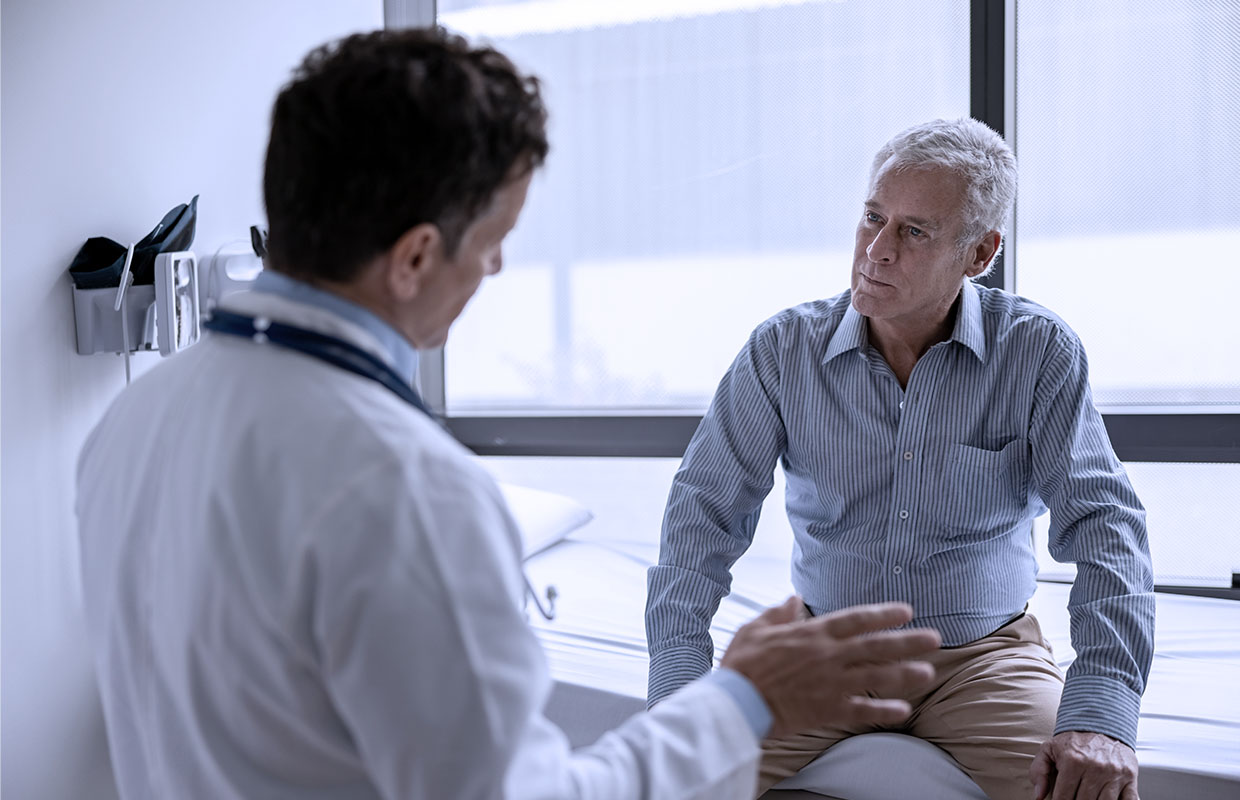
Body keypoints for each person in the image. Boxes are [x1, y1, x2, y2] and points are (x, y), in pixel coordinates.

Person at [75, 28, 941, 800]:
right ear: (415, 256)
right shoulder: (408, 488)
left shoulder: (133, 421)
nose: (491, 270)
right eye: (492, 241)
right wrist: (746, 696)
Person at [645, 118, 1155, 800]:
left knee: (1084, 790)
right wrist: (680, 684)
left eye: (914, 232)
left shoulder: (1037, 353)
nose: (875, 251)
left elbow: (1106, 529)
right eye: (872, 218)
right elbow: (700, 520)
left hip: (985, 661)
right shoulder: (781, 352)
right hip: (822, 655)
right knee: (669, 777)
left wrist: (1101, 711)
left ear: (979, 253)